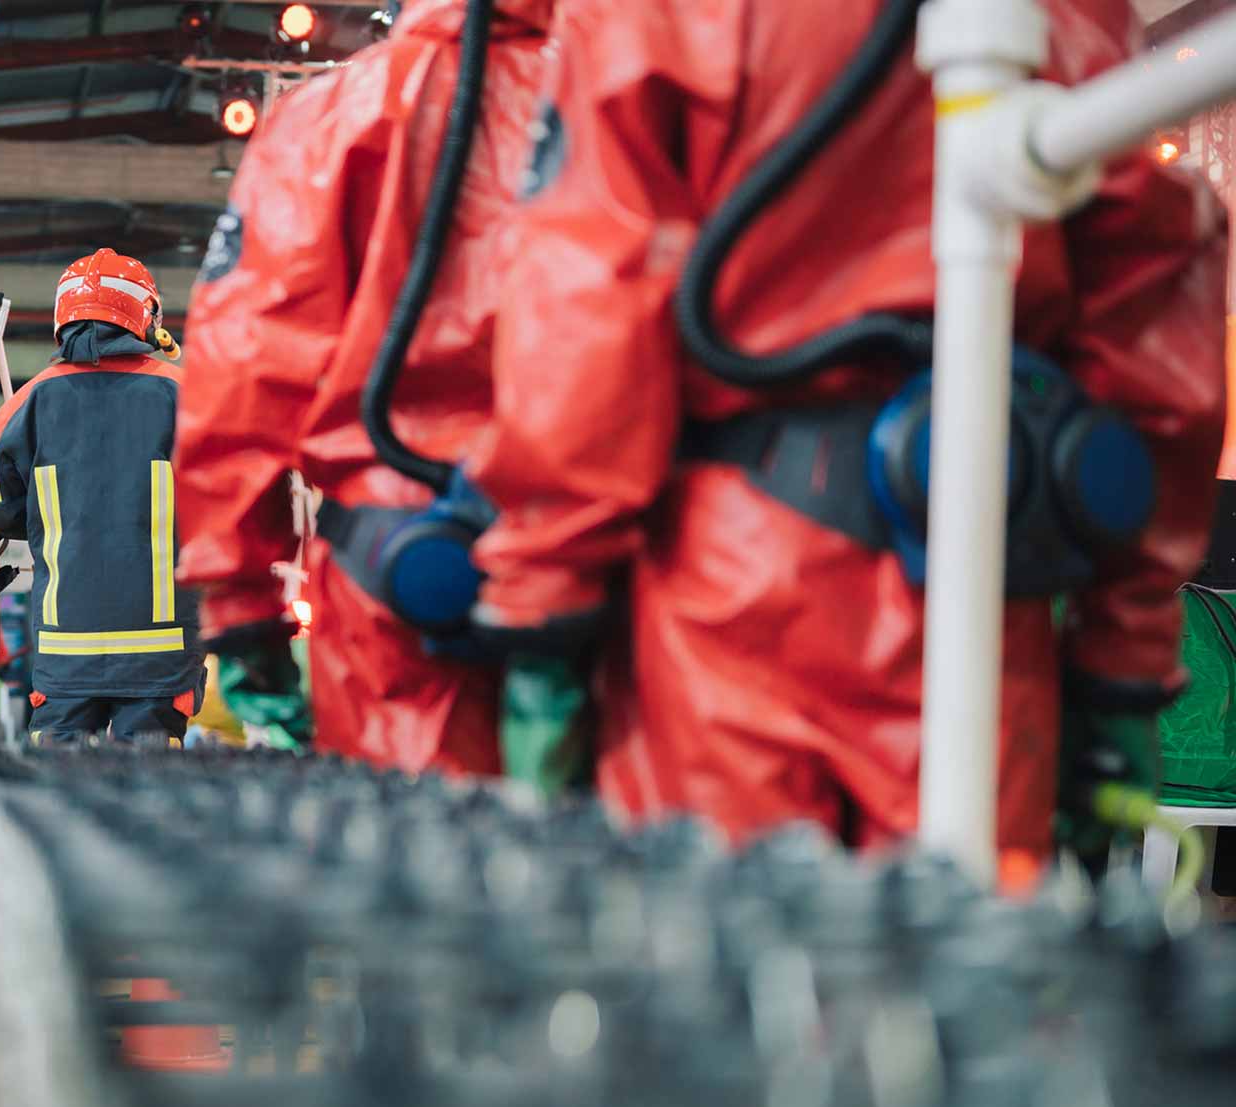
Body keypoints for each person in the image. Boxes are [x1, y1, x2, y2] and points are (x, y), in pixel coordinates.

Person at [466, 0, 1225, 882]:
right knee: (969, 970)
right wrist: (1118, 665)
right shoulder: (1068, 14)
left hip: (730, 596)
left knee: (713, 969)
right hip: (983, 585)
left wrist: (545, 623)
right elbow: (1151, 340)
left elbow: (583, 316)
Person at [174, 0, 554, 776]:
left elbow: (242, 374)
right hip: (616, 559)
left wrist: (243, 608)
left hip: (401, 572)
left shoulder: (331, 119)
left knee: (408, 868)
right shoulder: (638, 94)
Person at [0, 249, 205, 743]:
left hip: (63, 645)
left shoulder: (22, 405)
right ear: (146, 316)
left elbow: (2, 515)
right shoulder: (188, 400)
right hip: (160, 650)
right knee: (151, 797)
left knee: (57, 802)